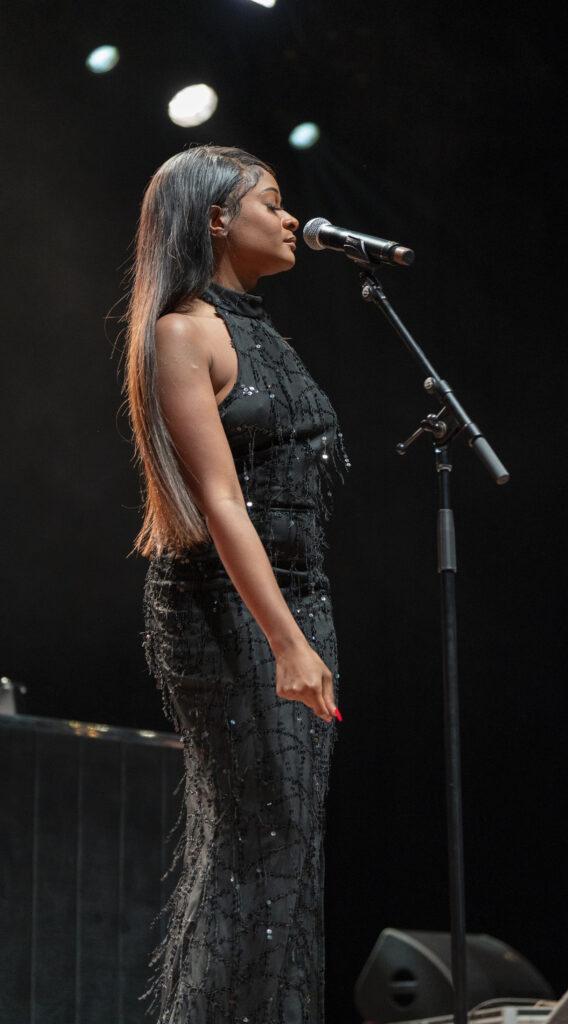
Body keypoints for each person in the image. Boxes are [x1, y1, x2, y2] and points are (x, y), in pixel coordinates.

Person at [122, 144, 352, 1024]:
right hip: (224, 612)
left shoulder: (263, 330)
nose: (291, 218)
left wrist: (304, 626)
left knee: (288, 845)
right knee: (258, 845)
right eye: (274, 201)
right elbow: (220, 502)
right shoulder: (182, 330)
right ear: (216, 217)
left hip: (304, 599)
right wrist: (285, 642)